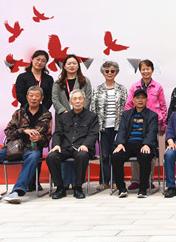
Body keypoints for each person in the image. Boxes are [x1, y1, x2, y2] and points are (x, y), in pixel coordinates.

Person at [0, 86, 52, 204]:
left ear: (42, 98)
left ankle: (17, 191)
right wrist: (24, 131)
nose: (33, 98)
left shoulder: (46, 115)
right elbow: (8, 132)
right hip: (13, 148)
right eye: (31, 95)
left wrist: (40, 138)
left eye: (37, 96)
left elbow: (47, 139)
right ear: (27, 97)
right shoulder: (19, 113)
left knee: (33, 157)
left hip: (32, 149)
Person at [46, 89, 99, 199]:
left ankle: (78, 187)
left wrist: (85, 145)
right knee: (51, 157)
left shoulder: (92, 116)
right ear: (70, 102)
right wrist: (56, 145)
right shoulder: (63, 117)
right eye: (75, 99)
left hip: (82, 147)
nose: (77, 101)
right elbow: (58, 133)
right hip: (65, 148)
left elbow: (93, 134)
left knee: (82, 155)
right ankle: (60, 188)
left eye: (80, 98)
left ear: (84, 100)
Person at [14, 49, 54, 191]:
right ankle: (26, 181)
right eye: (38, 59)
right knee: (25, 146)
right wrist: (31, 106)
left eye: (43, 61)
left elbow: (50, 97)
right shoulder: (23, 77)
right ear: (32, 59)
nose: (40, 62)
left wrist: (42, 110)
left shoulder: (48, 79)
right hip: (26, 114)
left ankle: (35, 181)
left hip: (41, 116)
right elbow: (20, 95)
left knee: (38, 146)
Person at [124, 59, 167, 190]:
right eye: (143, 69)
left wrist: (163, 124)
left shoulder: (158, 87)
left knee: (150, 151)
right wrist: (127, 121)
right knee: (135, 148)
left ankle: (149, 179)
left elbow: (163, 106)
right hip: (137, 122)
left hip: (153, 123)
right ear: (140, 71)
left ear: (152, 70)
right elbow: (129, 105)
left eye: (148, 69)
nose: (146, 71)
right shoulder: (135, 86)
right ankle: (135, 180)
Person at [51, 54, 93, 189]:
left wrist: (79, 111)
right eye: (69, 63)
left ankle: (76, 182)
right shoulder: (58, 83)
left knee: (78, 147)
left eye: (74, 63)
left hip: (81, 118)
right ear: (64, 66)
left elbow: (88, 98)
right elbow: (55, 100)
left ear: (78, 66)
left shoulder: (84, 81)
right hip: (63, 118)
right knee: (65, 145)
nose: (71, 65)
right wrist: (65, 113)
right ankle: (64, 182)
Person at [112, 89, 158, 198]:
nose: (140, 100)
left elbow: (152, 132)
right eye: (137, 98)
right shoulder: (126, 114)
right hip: (128, 144)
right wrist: (120, 143)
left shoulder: (152, 115)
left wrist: (147, 144)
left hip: (143, 144)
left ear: (147, 100)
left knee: (145, 156)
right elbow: (122, 130)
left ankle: (142, 189)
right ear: (133, 100)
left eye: (143, 98)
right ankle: (121, 188)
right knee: (116, 156)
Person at [90, 60, 128, 191]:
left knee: (116, 154)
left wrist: (124, 126)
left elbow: (126, 108)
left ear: (116, 72)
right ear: (103, 72)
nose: (110, 73)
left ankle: (117, 181)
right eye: (107, 71)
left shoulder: (122, 89)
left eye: (112, 70)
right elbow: (93, 108)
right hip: (102, 127)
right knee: (104, 155)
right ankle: (105, 181)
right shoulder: (98, 89)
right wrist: (95, 126)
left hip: (118, 127)